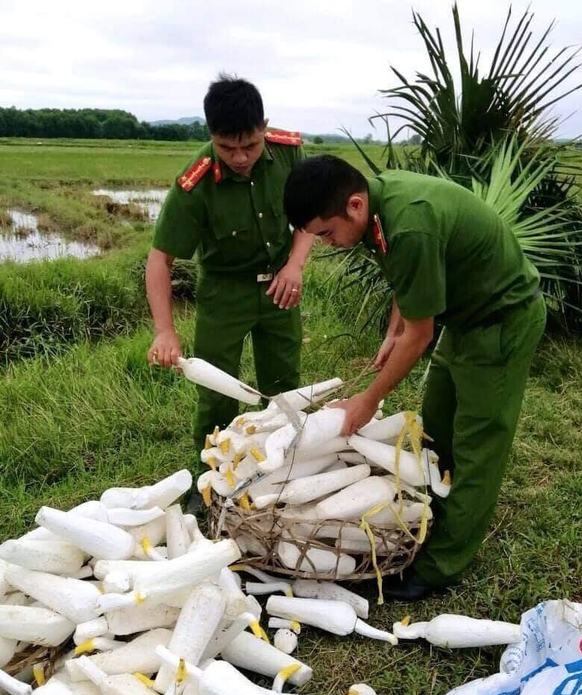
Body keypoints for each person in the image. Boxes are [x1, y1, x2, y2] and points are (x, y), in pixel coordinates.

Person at [283, 156, 546, 600]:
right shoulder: (376, 209)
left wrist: (366, 400)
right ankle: (432, 521)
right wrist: (393, 330)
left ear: (353, 205)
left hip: (501, 319)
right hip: (463, 318)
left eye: (326, 234)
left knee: (478, 442)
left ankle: (443, 564)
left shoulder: (409, 225)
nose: (326, 244)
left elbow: (421, 334)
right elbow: (409, 283)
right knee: (436, 426)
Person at [146, 75, 315, 508]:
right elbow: (160, 260)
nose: (240, 158)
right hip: (225, 292)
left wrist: (295, 266)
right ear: (210, 136)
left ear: (265, 128)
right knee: (217, 389)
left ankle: (282, 467)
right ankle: (210, 481)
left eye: (250, 146)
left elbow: (309, 219)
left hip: (280, 287)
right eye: (227, 148)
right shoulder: (195, 183)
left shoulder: (288, 151)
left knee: (283, 384)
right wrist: (165, 332)